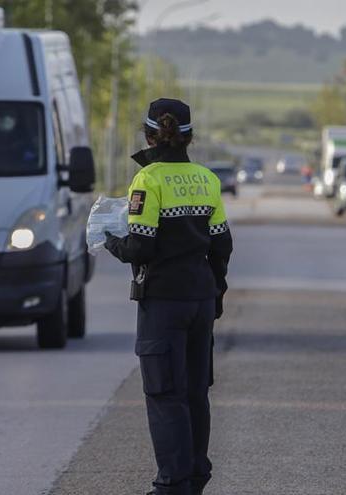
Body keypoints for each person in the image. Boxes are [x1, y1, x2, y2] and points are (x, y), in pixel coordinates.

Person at [104, 98, 233, 495]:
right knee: (195, 391)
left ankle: (171, 484)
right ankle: (194, 477)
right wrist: (215, 293)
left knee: (164, 393)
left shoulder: (148, 180)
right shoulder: (207, 179)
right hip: (199, 298)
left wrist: (109, 241)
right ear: (189, 137)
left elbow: (141, 247)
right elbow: (222, 245)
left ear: (149, 134)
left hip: (163, 301)